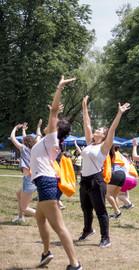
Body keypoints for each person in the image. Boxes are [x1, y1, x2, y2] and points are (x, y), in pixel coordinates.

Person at [30, 75, 81, 269]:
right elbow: (52, 114)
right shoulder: (47, 141)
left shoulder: (51, 138)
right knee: (40, 218)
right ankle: (46, 253)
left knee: (59, 227)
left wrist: (59, 89)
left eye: (55, 122)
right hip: (44, 183)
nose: (52, 122)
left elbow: (52, 112)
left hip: (46, 183)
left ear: (55, 129)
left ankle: (75, 263)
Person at [78, 95, 130, 248]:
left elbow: (112, 129)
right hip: (85, 180)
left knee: (100, 210)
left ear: (104, 136)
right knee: (86, 208)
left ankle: (105, 238)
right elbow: (87, 124)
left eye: (100, 130)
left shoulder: (104, 147)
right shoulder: (90, 144)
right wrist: (84, 106)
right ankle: (87, 230)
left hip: (96, 181)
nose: (96, 130)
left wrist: (119, 113)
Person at [10, 123, 38, 223]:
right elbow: (25, 138)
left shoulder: (23, 148)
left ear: (25, 142)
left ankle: (43, 216)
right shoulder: (34, 149)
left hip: (29, 180)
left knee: (24, 208)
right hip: (34, 178)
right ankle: (20, 217)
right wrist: (23, 130)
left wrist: (15, 128)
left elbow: (13, 138)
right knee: (19, 194)